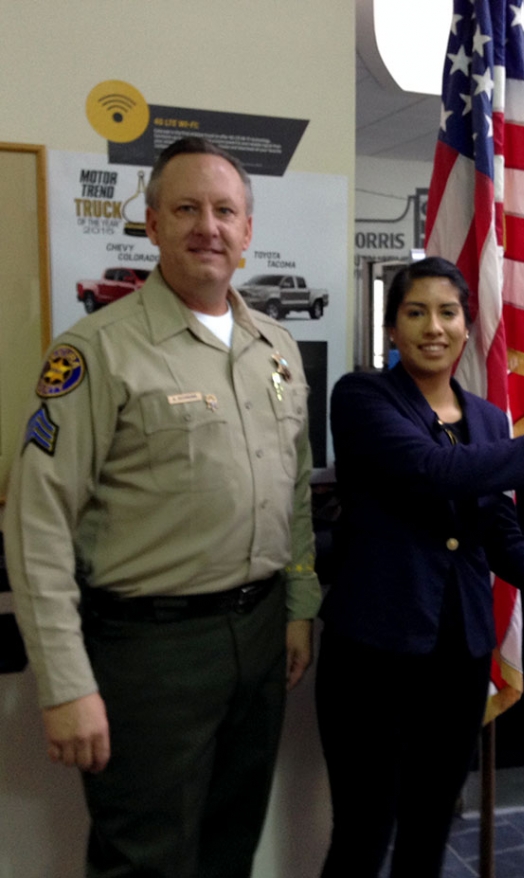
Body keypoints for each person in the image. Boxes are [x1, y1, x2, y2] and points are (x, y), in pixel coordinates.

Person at [4, 136, 321, 877]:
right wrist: (66, 681)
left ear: (248, 232)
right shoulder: (97, 351)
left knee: (230, 844)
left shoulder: (274, 347)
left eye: (224, 210)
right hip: (150, 653)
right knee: (143, 859)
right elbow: (37, 522)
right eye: (185, 209)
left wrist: (298, 606)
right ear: (152, 225)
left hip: (261, 630)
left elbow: (294, 490)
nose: (206, 226)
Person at [316, 256, 524, 878]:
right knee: (363, 832)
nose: (433, 327)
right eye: (414, 312)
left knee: (429, 826)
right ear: (392, 327)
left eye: (448, 313)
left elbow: (499, 536)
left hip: (459, 657)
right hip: (375, 656)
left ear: (468, 327)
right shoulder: (363, 397)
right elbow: (432, 472)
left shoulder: (483, 418)